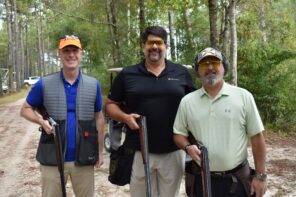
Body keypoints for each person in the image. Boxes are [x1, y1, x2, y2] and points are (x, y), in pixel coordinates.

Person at [105, 26, 195, 197]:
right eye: (150, 43)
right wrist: (124, 117)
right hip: (138, 150)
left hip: (173, 150)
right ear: (143, 46)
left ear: (166, 46)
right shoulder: (127, 74)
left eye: (159, 42)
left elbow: (196, 104)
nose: (154, 47)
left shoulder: (181, 73)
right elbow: (110, 105)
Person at [173, 47, 267, 197]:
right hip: (201, 180)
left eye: (215, 62)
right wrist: (188, 147)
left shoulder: (243, 97)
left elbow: (257, 137)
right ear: (198, 71)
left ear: (224, 68)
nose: (210, 67)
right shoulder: (187, 102)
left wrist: (260, 176)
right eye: (204, 64)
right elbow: (178, 134)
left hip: (237, 181)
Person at [20, 34, 104, 197]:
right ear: (59, 53)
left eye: (74, 50)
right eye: (66, 51)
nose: (71, 55)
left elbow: (99, 118)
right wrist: (40, 121)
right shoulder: (44, 83)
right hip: (52, 156)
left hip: (84, 157)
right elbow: (25, 109)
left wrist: (100, 151)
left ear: (81, 54)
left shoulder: (93, 84)